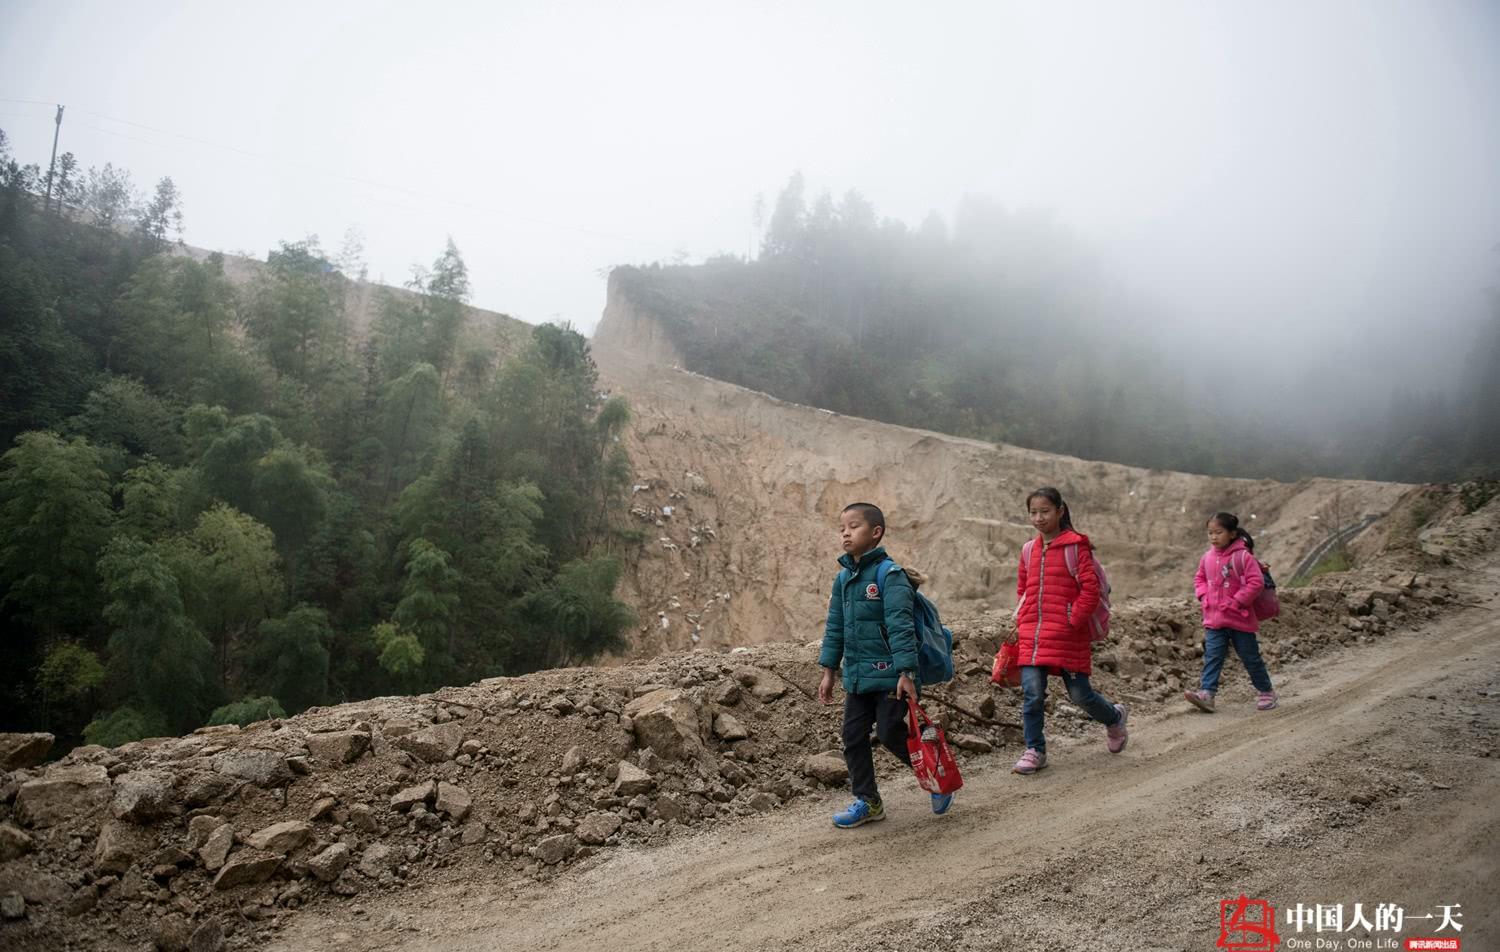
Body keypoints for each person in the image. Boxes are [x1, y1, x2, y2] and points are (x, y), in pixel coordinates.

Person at [817, 502, 954, 826]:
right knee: (852, 736)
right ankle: (868, 801)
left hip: (893, 676)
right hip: (857, 677)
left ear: (875, 532)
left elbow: (901, 627)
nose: (846, 533)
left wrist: (906, 673)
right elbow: (834, 626)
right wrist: (828, 671)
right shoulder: (843, 580)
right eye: (842, 528)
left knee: (892, 732)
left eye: (854, 526)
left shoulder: (890, 576)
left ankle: (937, 776)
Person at [1007, 487, 1128, 775]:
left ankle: (1114, 717)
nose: (1038, 518)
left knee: (1080, 696)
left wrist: (1072, 619)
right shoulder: (1028, 549)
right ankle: (1035, 750)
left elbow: (1091, 589)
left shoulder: (1077, 547)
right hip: (1033, 635)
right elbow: (1023, 590)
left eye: (1045, 511)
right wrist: (1023, 617)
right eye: (1033, 512)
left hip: (1067, 635)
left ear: (1060, 511)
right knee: (1032, 694)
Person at [1186, 511, 1278, 712]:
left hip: (1240, 619)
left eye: (1218, 532)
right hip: (1214, 619)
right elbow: (1199, 579)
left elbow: (1256, 582)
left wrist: (1237, 601)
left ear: (1232, 533)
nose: (1213, 537)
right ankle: (1207, 693)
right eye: (1210, 533)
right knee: (1213, 656)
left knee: (1250, 658)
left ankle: (1266, 691)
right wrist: (1203, 596)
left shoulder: (1243, 557)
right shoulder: (1207, 558)